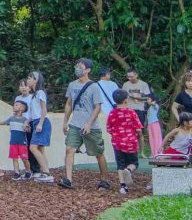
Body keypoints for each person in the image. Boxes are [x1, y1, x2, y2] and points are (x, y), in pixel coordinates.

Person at [60, 57, 113, 190]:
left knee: (98, 153)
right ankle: (68, 180)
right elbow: (69, 104)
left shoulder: (94, 86)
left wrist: (89, 123)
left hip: (91, 127)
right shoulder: (72, 85)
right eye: (77, 66)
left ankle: (104, 180)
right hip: (75, 124)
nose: (78, 68)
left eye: (81, 66)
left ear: (88, 70)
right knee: (69, 149)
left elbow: (97, 107)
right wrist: (65, 121)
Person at [104, 89, 143, 195]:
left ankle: (123, 186)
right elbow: (139, 129)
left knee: (120, 164)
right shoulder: (131, 112)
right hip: (131, 142)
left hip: (117, 143)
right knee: (134, 163)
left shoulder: (112, 113)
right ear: (126, 100)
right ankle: (129, 170)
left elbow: (108, 129)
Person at [25, 70, 54, 182]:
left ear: (36, 80)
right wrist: (27, 122)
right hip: (37, 122)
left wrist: (40, 124)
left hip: (41, 122)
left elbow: (43, 109)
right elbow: (34, 113)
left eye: (30, 78)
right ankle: (46, 172)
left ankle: (46, 173)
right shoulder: (34, 96)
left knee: (33, 148)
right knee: (40, 149)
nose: (28, 80)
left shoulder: (40, 93)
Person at [0, 99, 30, 180]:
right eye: (14, 105)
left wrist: (26, 128)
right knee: (14, 158)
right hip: (13, 143)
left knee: (25, 159)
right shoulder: (11, 118)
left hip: (22, 143)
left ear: (22, 108)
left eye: (17, 105)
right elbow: (4, 122)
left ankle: (28, 171)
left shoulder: (25, 120)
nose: (14, 106)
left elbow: (28, 130)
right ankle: (17, 173)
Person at [121, 68, 152, 133]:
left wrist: (136, 97)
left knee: (140, 130)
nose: (129, 78)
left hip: (140, 110)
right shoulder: (125, 84)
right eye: (128, 76)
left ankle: (139, 142)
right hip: (128, 110)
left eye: (131, 76)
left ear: (136, 75)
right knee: (129, 130)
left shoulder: (143, 84)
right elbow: (122, 98)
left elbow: (148, 98)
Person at [145, 92, 165, 157]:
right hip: (150, 125)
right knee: (151, 139)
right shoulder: (149, 108)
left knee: (157, 138)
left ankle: (158, 153)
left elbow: (156, 107)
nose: (147, 101)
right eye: (147, 99)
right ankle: (153, 153)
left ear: (152, 100)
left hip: (155, 124)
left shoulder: (155, 106)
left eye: (148, 99)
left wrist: (154, 103)